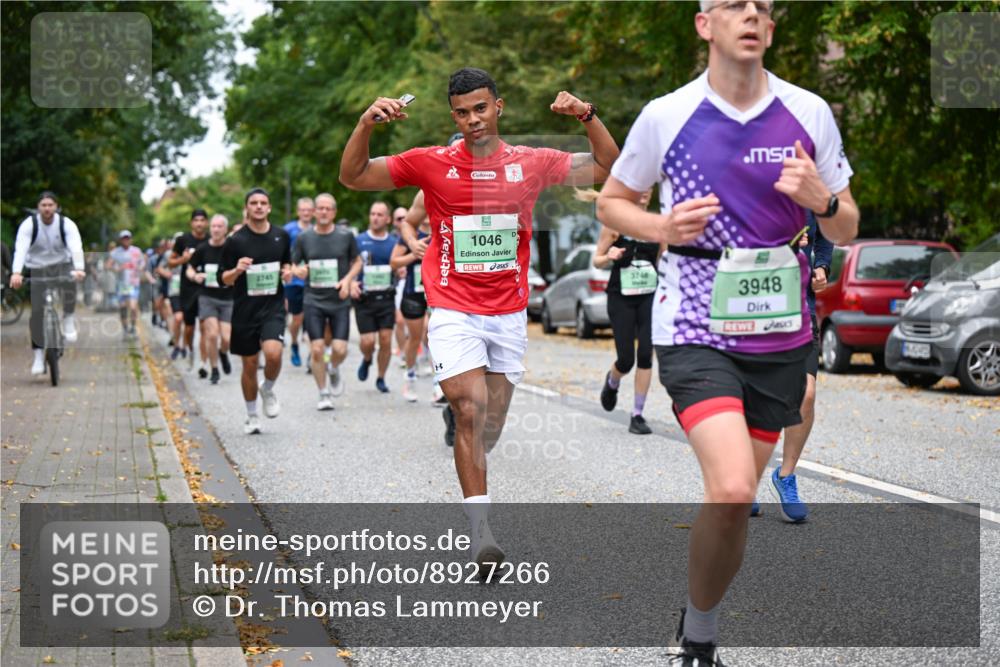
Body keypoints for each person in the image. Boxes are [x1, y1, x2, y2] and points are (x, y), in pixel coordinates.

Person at [596, 1, 860, 663]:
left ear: (770, 29)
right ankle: (700, 646)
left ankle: (698, 620)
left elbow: (847, 224)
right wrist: (662, 228)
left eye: (762, 8)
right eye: (734, 5)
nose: (750, 15)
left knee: (733, 505)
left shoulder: (809, 112)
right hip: (693, 323)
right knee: (735, 485)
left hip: (778, 333)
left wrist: (821, 199)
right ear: (703, 23)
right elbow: (612, 201)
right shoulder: (668, 113)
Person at [339, 67, 619, 572]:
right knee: (471, 411)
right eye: (463, 113)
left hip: (508, 313)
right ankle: (480, 532)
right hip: (451, 308)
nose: (473, 120)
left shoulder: (530, 162)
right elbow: (354, 177)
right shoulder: (431, 163)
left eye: (481, 109)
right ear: (454, 117)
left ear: (498, 106)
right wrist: (364, 125)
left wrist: (586, 115)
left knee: (489, 425)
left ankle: (463, 422)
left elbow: (605, 167)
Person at [753, 211, 834, 520]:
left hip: (801, 309)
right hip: (758, 306)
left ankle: (785, 476)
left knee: (807, 393)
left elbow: (825, 237)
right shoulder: (757, 188)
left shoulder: (812, 193)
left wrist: (822, 266)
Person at [220, 188, 292, 434]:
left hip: (272, 307)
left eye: (263, 203)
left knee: (273, 354)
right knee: (249, 364)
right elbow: (224, 280)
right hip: (245, 310)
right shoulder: (235, 241)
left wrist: (289, 272)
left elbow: (287, 264)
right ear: (247, 208)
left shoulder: (281, 236)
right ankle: (252, 415)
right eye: (254, 203)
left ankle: (268, 388)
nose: (259, 206)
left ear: (269, 207)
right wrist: (237, 270)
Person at [590, 187, 659, 435]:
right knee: (627, 359)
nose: (644, 193)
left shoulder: (655, 224)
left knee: (646, 353)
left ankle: (637, 415)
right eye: (639, 188)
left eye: (648, 189)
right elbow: (596, 259)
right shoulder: (615, 223)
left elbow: (663, 260)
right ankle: (613, 380)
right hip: (621, 297)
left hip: (649, 295)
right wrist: (609, 255)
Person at [291, 193, 362, 409]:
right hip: (313, 299)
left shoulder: (345, 236)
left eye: (327, 208)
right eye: (319, 208)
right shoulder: (304, 237)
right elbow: (293, 265)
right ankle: (323, 394)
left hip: (339, 299)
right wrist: (299, 270)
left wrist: (348, 280)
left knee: (340, 349)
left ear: (334, 212)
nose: (323, 212)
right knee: (317, 349)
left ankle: (333, 368)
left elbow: (357, 261)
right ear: (314, 212)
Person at [9, 192, 86, 374]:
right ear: (38, 208)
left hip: (62, 264)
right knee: (36, 313)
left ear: (56, 207)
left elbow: (76, 246)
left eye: (50, 205)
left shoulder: (66, 224)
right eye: (43, 205)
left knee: (70, 285)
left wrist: (79, 268)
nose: (47, 208)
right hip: (37, 267)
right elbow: (20, 249)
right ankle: (37, 356)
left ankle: (68, 318)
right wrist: (16, 273)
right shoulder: (29, 225)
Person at [351, 201, 399, 394]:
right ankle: (367, 358)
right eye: (372, 214)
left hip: (386, 296)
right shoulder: (358, 240)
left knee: (386, 339)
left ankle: (381, 377)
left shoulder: (395, 243)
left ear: (387, 219)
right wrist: (352, 282)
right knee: (368, 341)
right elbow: (349, 265)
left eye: (380, 214)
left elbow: (398, 266)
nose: (375, 217)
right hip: (364, 298)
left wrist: (400, 271)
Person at [390, 198, 431, 402]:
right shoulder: (410, 234)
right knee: (415, 338)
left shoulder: (443, 230)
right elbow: (394, 262)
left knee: (434, 337)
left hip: (437, 293)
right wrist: (414, 253)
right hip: (413, 293)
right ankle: (410, 377)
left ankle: (438, 384)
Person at [188, 214, 234, 384]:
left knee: (227, 338)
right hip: (207, 297)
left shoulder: (231, 249)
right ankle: (214, 368)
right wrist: (195, 276)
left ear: (225, 230)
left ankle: (223, 353)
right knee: (212, 334)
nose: (215, 229)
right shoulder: (202, 249)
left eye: (219, 226)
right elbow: (189, 269)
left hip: (228, 298)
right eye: (213, 226)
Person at [169, 209, 209, 372]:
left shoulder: (211, 239)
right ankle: (190, 350)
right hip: (187, 289)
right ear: (191, 223)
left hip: (206, 288)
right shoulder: (182, 240)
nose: (199, 223)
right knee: (190, 327)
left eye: (202, 220)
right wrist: (182, 260)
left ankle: (204, 363)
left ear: (206, 222)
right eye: (196, 220)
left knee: (205, 325)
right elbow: (170, 263)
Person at [283, 197, 315, 368]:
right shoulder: (289, 230)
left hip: (313, 281)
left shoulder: (318, 230)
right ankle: (294, 343)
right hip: (294, 281)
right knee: (297, 319)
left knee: (312, 319)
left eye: (309, 210)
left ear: (313, 212)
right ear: (298, 212)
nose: (306, 213)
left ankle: (313, 356)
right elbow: (282, 253)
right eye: (303, 210)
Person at [107, 230, 145, 338]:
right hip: (121, 285)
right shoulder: (115, 252)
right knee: (123, 307)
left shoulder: (136, 251)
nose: (126, 240)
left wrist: (140, 268)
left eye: (128, 238)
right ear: (120, 240)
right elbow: (108, 265)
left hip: (133, 283)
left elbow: (142, 262)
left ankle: (133, 328)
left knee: (133, 307)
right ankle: (125, 329)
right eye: (124, 238)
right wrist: (117, 268)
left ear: (131, 239)